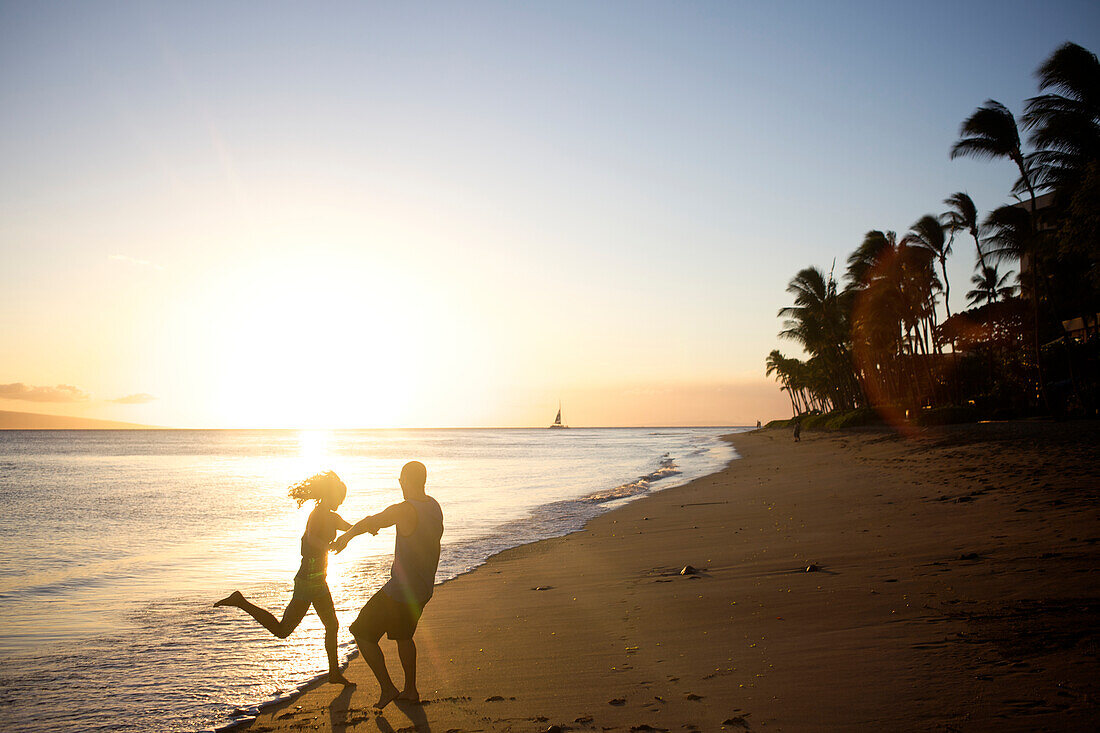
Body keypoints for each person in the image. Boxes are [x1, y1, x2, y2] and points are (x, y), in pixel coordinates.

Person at [214, 470, 354, 685]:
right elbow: (312, 538)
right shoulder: (317, 515)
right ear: (330, 495)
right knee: (282, 631)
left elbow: (350, 527)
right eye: (339, 498)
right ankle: (241, 601)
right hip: (308, 580)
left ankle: (334, 674)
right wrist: (329, 546)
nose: (341, 502)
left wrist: (370, 527)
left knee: (332, 626)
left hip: (319, 580)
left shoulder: (332, 516)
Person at [332, 461, 443, 709]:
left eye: (401, 479)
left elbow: (375, 519)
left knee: (361, 631)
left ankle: (388, 688)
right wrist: (377, 525)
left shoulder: (405, 509)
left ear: (406, 480)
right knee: (404, 636)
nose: (400, 483)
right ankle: (411, 690)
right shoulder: (434, 506)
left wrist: (347, 536)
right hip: (424, 587)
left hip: (401, 591)